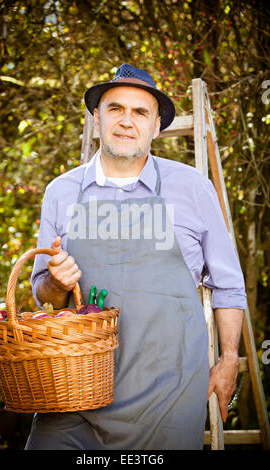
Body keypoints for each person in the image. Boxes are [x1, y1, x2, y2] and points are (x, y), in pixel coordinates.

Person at [25, 64, 246, 450]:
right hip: (75, 394)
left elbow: (227, 283)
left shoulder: (192, 188)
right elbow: (44, 297)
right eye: (115, 109)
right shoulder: (61, 191)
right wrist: (56, 283)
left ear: (156, 125)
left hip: (169, 394)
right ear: (97, 118)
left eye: (140, 112)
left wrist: (229, 360)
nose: (127, 121)